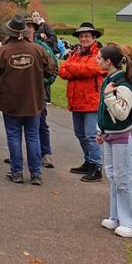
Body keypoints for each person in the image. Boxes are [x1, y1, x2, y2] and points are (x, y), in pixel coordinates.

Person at [0, 15, 57, 185]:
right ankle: (36, 173)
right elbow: (51, 69)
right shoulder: (38, 49)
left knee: (13, 136)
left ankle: (17, 172)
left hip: (10, 101)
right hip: (34, 100)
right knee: (33, 136)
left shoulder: (1, 52)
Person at [96, 44, 132, 238]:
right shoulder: (109, 80)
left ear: (109, 62)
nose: (96, 60)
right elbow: (103, 112)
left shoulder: (123, 85)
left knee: (124, 180)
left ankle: (131, 222)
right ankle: (116, 216)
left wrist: (109, 96)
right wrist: (101, 130)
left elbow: (121, 113)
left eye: (99, 58)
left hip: (123, 137)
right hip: (110, 135)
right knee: (114, 177)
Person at [58, 22, 106, 182]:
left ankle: (96, 166)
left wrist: (72, 66)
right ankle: (88, 161)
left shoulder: (99, 54)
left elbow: (90, 69)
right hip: (76, 101)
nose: (84, 39)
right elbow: (62, 71)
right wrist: (75, 67)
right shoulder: (75, 54)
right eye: (81, 36)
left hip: (91, 101)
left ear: (93, 38)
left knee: (91, 135)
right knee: (80, 134)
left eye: (87, 36)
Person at [26, 20, 59, 169]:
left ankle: (45, 153)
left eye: (30, 27)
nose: (27, 30)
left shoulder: (43, 47)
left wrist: (42, 82)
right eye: (25, 27)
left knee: (41, 123)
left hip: (39, 93)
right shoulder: (14, 45)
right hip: (20, 94)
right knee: (20, 125)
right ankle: (21, 154)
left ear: (34, 29)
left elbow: (54, 70)